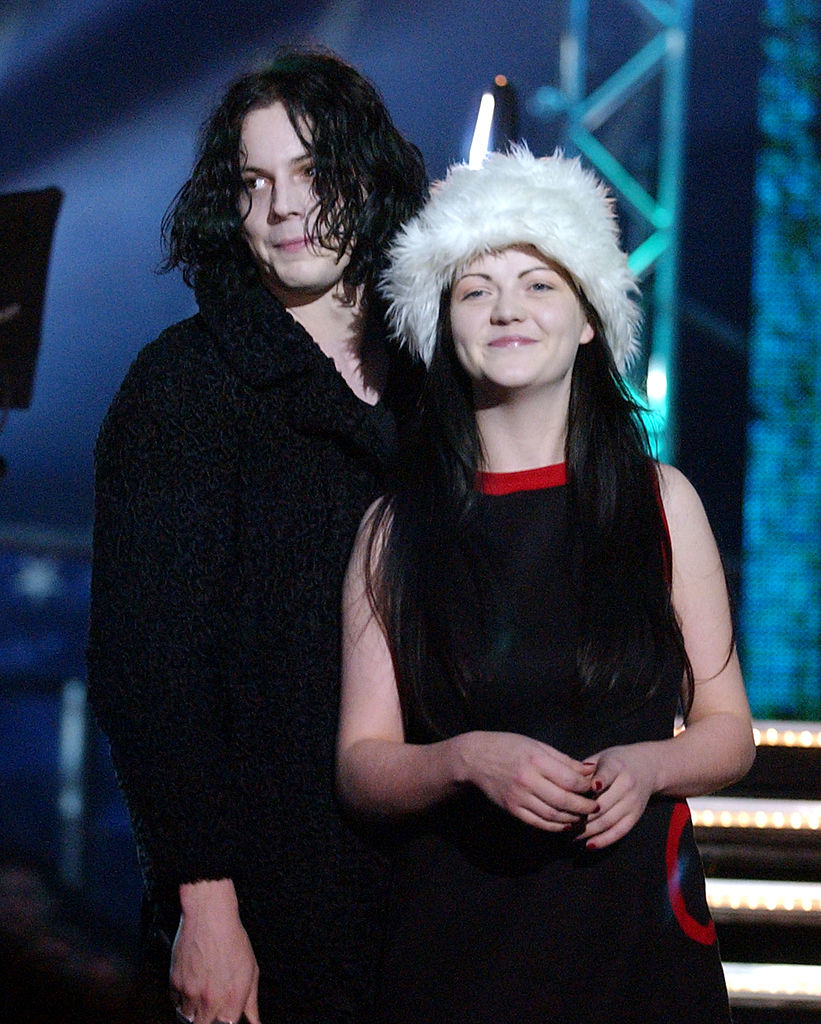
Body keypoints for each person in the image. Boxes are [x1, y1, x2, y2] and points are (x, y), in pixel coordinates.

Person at [337, 146, 755, 1022]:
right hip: (458, 945)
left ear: (590, 318)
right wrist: (462, 760)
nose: (506, 310)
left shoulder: (659, 501)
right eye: (475, 289)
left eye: (537, 283)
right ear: (442, 324)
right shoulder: (393, 528)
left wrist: (647, 766)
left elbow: (728, 734)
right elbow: (362, 766)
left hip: (634, 938)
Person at [86, 48, 426, 1024]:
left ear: (368, 177)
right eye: (252, 182)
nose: (283, 207)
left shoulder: (437, 380)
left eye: (313, 173)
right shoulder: (183, 386)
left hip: (436, 892)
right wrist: (204, 903)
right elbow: (147, 667)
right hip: (269, 896)